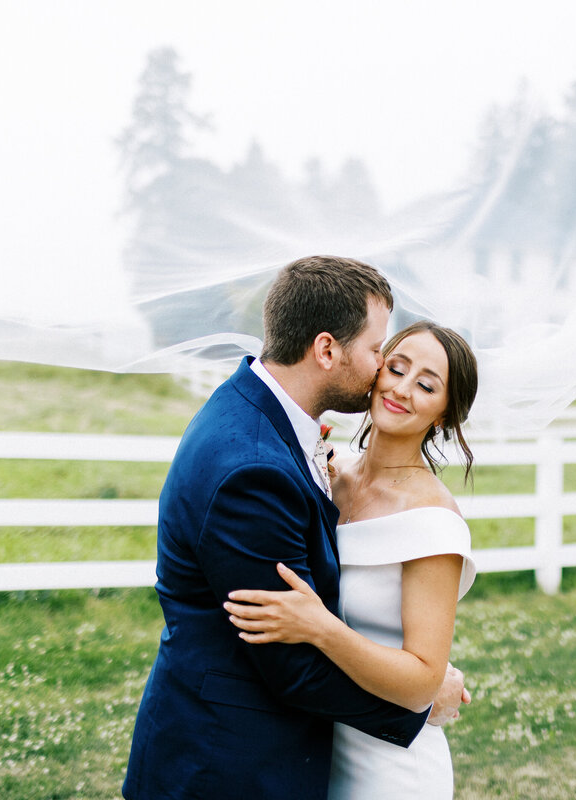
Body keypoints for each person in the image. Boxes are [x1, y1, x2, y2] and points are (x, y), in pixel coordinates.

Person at [122, 256, 467, 800]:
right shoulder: (254, 466)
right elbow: (293, 669)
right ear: (327, 349)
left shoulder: (260, 417)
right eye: (380, 351)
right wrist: (419, 703)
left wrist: (417, 679)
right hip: (227, 765)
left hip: (318, 758)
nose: (384, 371)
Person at [224, 319, 479, 799]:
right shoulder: (331, 475)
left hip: (392, 767)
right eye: (396, 368)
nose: (402, 389)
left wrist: (320, 628)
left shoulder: (433, 521)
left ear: (443, 414)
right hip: (316, 749)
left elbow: (422, 683)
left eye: (426, 385)